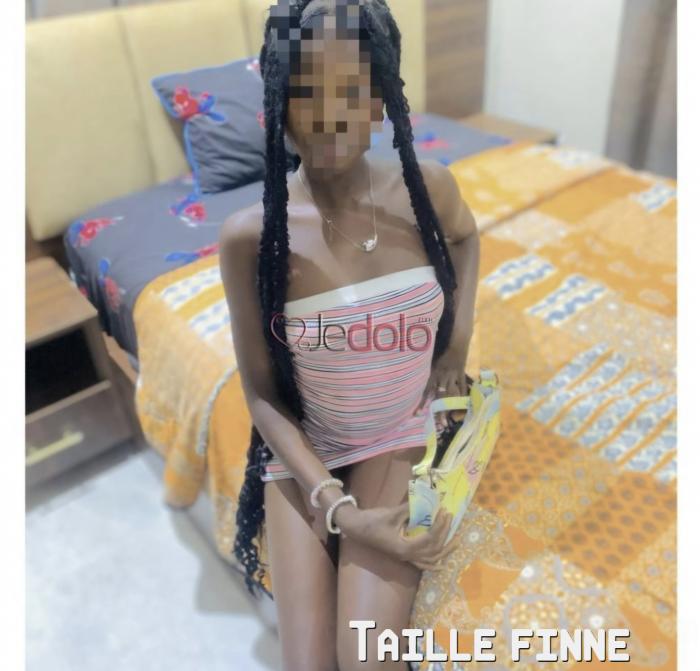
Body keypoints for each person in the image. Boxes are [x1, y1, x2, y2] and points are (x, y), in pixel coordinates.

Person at [219, 1, 480, 669]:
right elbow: (262, 394)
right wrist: (338, 508)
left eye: (353, 90)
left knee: (366, 658)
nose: (330, 113)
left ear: (381, 102)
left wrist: (454, 348)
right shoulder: (253, 238)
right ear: (278, 107)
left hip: (396, 429)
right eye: (306, 91)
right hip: (306, 445)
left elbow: (466, 239)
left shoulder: (427, 191)